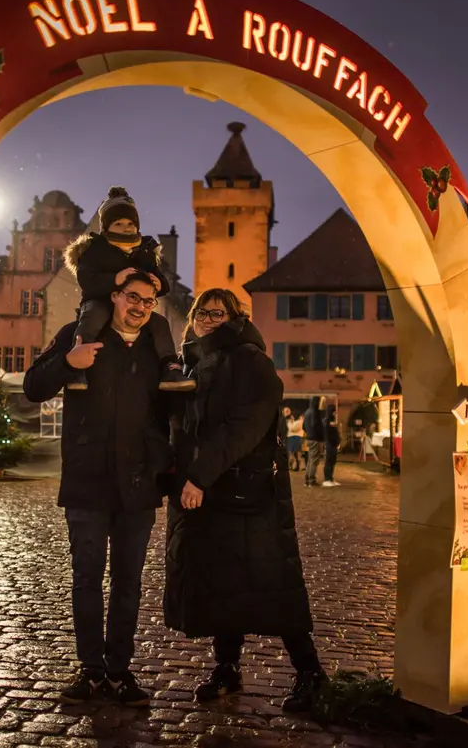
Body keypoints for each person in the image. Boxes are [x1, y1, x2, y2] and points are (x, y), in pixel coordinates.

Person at [164, 288, 326, 714]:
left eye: (221, 313)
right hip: (213, 493)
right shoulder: (193, 360)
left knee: (274, 584)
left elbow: (245, 425)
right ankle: (227, 667)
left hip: (247, 493)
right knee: (222, 585)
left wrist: (198, 475)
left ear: (236, 318)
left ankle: (311, 673)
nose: (210, 319)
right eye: (204, 311)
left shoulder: (249, 359)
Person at [23, 272, 171, 707]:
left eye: (149, 300)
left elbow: (171, 412)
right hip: (88, 482)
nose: (140, 306)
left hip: (139, 487)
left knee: (129, 582)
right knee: (87, 578)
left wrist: (162, 464)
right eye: (133, 297)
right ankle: (90, 671)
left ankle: (119, 671)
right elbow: (33, 386)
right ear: (115, 297)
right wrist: (70, 362)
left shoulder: (159, 350)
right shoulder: (78, 334)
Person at [62, 186, 193, 392]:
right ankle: (80, 367)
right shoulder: (94, 249)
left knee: (159, 323)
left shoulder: (145, 249)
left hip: (135, 304)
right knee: (93, 319)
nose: (126, 228)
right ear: (106, 227)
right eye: (119, 223)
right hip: (99, 300)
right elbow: (87, 280)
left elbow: (159, 278)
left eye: (131, 223)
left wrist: (159, 284)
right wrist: (114, 279)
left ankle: (170, 365)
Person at [302, 396, 326, 486]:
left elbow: (304, 426)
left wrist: (309, 432)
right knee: (314, 459)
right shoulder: (315, 412)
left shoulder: (307, 412)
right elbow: (316, 425)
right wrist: (321, 434)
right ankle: (311, 480)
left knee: (310, 459)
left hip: (309, 438)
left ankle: (307, 478)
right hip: (315, 438)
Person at [321, 404, 341, 487]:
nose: (335, 413)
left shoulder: (332, 420)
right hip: (329, 444)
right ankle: (327, 479)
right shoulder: (327, 421)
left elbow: (335, 432)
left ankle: (331, 478)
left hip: (334, 444)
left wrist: (338, 441)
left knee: (333, 461)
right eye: (334, 411)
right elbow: (328, 433)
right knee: (328, 461)